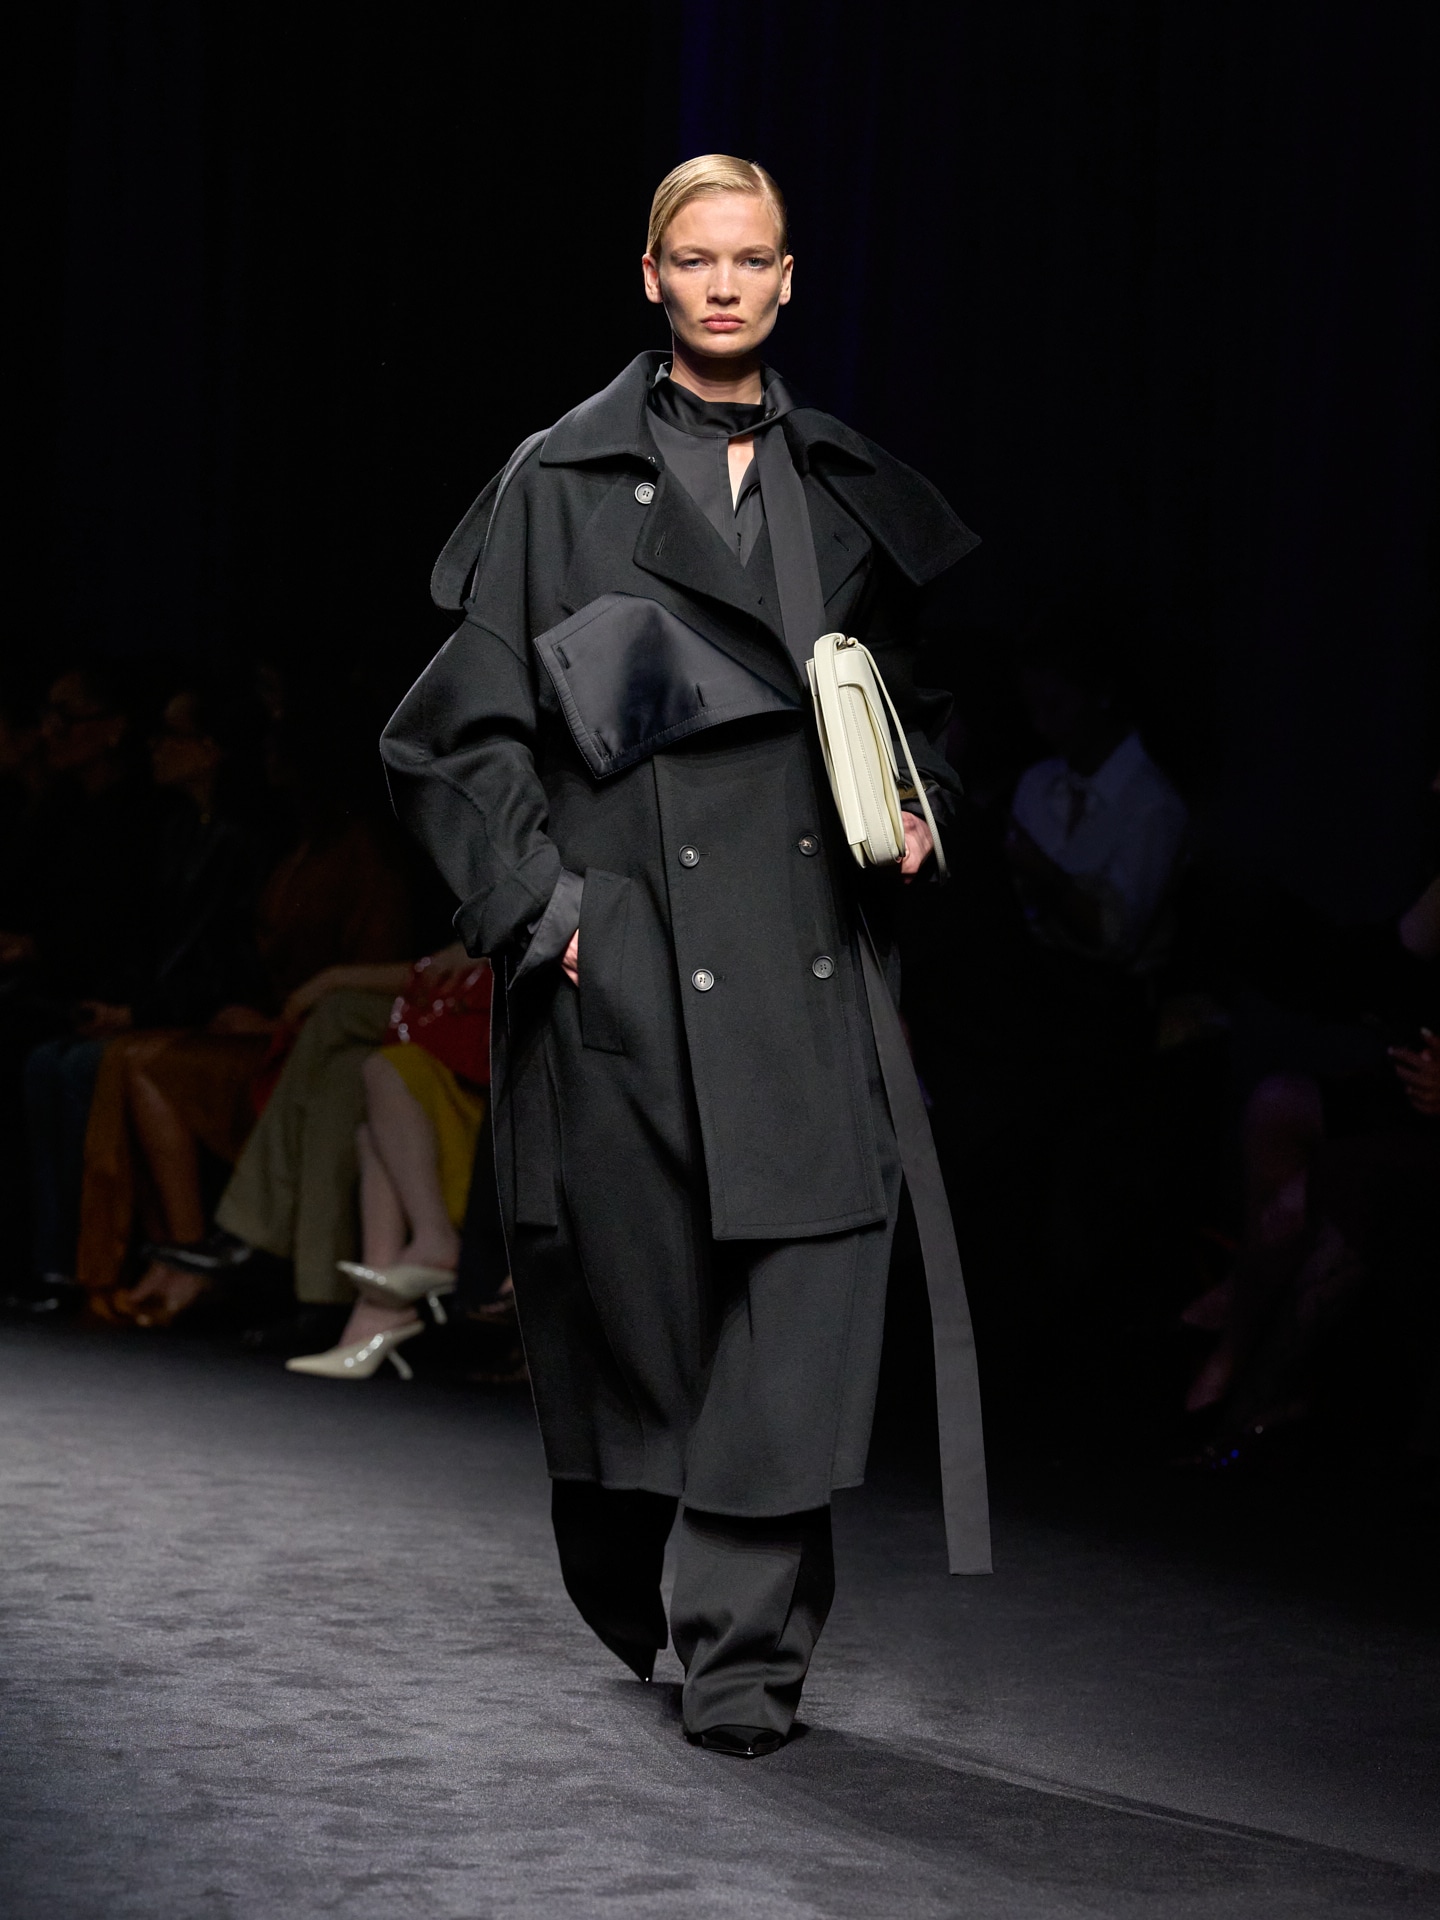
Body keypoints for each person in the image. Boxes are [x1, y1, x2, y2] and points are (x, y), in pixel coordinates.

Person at [381, 154, 990, 1757]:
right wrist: (550, 916)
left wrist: (916, 806)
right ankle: (652, 1584)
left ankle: (744, 1659)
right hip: (631, 963)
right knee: (641, 1320)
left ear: (788, 280)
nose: (726, 284)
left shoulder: (844, 488)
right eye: (697, 258)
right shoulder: (561, 481)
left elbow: (911, 708)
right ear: (652, 277)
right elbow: (447, 738)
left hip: (806, 959)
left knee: (800, 1305)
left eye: (753, 259)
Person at [73, 691, 412, 1322]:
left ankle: (192, 1261)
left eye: (282, 740)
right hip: (278, 1024)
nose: (270, 753)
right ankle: (173, 1255)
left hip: (311, 1034)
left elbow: (372, 968)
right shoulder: (295, 844)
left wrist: (275, 1013)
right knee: (127, 1061)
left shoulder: (362, 852)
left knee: (140, 1063)